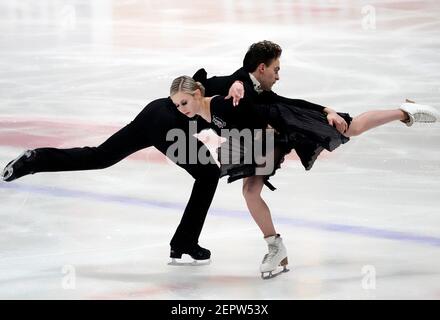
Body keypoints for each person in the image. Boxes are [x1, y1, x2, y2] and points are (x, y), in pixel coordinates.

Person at [172, 40, 440, 278]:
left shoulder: (235, 95)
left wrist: (327, 111)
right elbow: (217, 83)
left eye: (183, 104)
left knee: (350, 127)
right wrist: (235, 87)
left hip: (281, 124)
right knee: (251, 191)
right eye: (276, 68)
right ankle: (275, 248)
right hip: (264, 136)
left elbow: (282, 102)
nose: (279, 74)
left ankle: (405, 112)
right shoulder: (228, 90)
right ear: (262, 68)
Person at [1, 94, 223, 264]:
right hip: (168, 124)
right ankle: (184, 241)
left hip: (156, 110)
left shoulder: (235, 86)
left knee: (101, 156)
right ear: (260, 68)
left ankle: (37, 159)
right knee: (208, 174)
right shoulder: (239, 92)